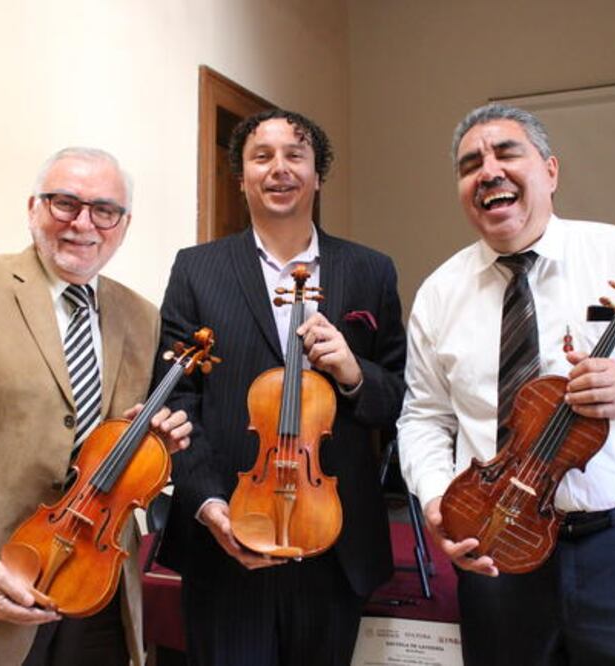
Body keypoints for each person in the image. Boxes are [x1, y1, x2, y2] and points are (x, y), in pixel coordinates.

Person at [397, 103, 615, 665]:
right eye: (470, 164)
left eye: (507, 153)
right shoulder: (439, 293)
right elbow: (424, 417)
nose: (489, 171)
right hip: (498, 545)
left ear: (550, 172)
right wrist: (437, 500)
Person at [0, 147, 192, 666]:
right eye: (64, 203)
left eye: (104, 210)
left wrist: (158, 444)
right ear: (33, 207)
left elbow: (110, 450)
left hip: (96, 589)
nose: (83, 224)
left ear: (124, 224)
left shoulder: (141, 316)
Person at [155, 109, 407, 665]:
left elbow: (400, 399)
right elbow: (176, 399)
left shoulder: (371, 269)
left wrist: (353, 373)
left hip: (336, 537)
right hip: (226, 535)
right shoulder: (196, 269)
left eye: (295, 155)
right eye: (261, 156)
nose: (279, 169)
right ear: (240, 177)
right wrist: (210, 505)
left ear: (318, 175)